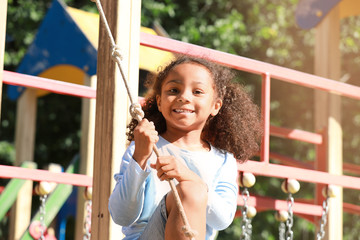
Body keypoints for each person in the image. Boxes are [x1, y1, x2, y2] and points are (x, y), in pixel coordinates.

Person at [109, 56, 262, 240]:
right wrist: (140, 157)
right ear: (159, 101)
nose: (184, 97)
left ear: (216, 105)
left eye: (197, 91)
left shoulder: (222, 160)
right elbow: (121, 216)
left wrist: (190, 177)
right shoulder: (143, 148)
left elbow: (222, 220)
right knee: (191, 190)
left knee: (192, 189)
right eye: (174, 90)